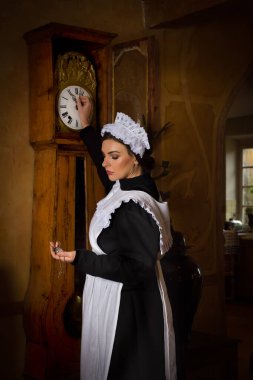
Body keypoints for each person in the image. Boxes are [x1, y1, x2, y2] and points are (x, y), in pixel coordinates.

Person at [50, 96, 177, 380]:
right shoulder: (129, 181)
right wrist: (86, 127)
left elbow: (136, 269)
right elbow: (105, 166)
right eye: (106, 154)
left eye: (114, 156)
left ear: (135, 158)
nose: (106, 162)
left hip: (128, 309)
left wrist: (79, 258)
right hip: (117, 298)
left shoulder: (135, 206)